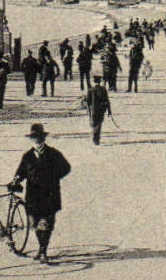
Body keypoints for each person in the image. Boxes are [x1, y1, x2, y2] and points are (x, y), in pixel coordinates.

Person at [10, 123, 71, 264]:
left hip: (50, 193)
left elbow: (66, 168)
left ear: (43, 138)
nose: (36, 140)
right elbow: (21, 172)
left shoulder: (53, 153)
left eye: (38, 137)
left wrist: (54, 177)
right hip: (33, 194)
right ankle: (41, 247)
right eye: (33, 137)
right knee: (34, 223)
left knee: (46, 223)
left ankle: (43, 250)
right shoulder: (27, 156)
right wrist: (16, 180)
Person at [85, 74, 112, 145]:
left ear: (94, 81)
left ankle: (95, 137)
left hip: (93, 110)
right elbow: (107, 100)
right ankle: (96, 139)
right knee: (99, 124)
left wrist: (88, 110)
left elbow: (88, 102)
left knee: (94, 124)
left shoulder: (90, 90)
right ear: (100, 81)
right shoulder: (103, 89)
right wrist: (109, 110)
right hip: (101, 110)